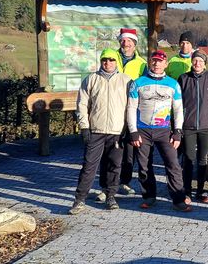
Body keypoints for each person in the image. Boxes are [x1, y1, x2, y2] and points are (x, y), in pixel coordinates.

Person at [70, 48, 132, 214]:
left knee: (115, 165)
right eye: (105, 59)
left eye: (111, 59)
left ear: (116, 61)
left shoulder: (126, 80)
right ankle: (79, 199)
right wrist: (84, 126)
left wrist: (130, 129)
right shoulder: (91, 79)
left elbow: (131, 107)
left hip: (117, 131)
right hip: (96, 130)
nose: (108, 63)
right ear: (101, 61)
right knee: (89, 166)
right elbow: (82, 104)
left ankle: (111, 196)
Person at [129, 50, 191, 212]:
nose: (156, 64)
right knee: (144, 166)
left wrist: (178, 131)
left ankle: (178, 199)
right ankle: (149, 196)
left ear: (166, 64)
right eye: (154, 61)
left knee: (173, 164)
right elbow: (130, 108)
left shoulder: (173, 84)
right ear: (150, 62)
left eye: (160, 61)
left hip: (165, 131)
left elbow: (178, 110)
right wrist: (133, 131)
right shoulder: (137, 83)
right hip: (142, 130)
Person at [95, 28, 146, 203]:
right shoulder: (111, 58)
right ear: (120, 42)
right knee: (108, 152)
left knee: (129, 152)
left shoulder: (141, 63)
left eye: (130, 41)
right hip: (112, 111)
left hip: (132, 112)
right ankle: (105, 186)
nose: (126, 44)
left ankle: (124, 182)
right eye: (123, 41)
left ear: (135, 43)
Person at [177, 50, 208, 203]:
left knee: (203, 159)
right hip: (187, 125)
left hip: (206, 125)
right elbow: (177, 103)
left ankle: (200, 190)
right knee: (188, 159)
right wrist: (177, 125)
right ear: (191, 62)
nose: (197, 63)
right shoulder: (183, 79)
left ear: (205, 64)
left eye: (200, 61)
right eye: (195, 60)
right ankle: (186, 190)